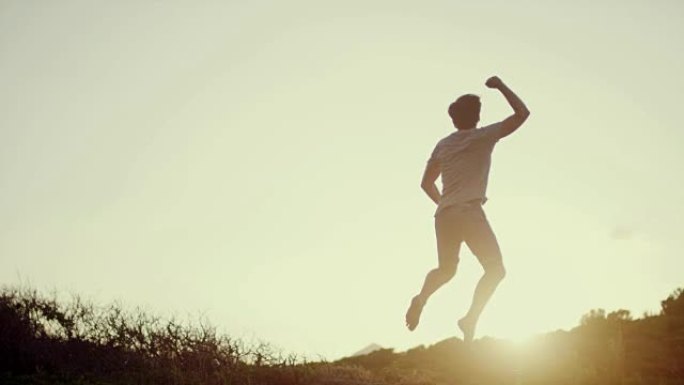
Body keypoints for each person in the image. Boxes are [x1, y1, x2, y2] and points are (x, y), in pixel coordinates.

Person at [405, 76, 530, 342]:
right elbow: (522, 114)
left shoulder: (444, 144)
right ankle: (470, 318)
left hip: (444, 215)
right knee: (496, 269)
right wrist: (500, 85)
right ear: (477, 116)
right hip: (469, 213)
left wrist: (444, 203)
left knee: (446, 270)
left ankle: (421, 298)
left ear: (453, 120)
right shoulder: (483, 136)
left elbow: (426, 183)